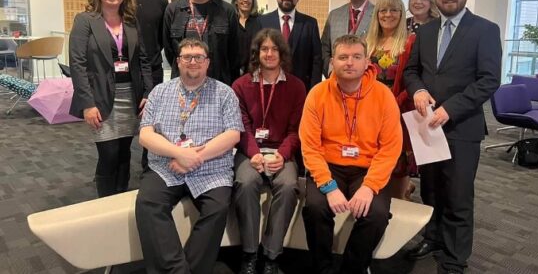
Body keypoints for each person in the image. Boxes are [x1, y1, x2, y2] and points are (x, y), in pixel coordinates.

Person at [404, 0, 502, 274]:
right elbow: (411, 71)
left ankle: (454, 258)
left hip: (462, 127)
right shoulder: (426, 31)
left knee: (458, 195)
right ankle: (432, 237)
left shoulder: (485, 30)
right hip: (427, 127)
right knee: (431, 190)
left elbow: (489, 80)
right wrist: (418, 90)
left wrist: (451, 108)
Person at [135, 39, 243, 274]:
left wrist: (196, 157)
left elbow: (233, 134)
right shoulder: (160, 92)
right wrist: (179, 153)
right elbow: (145, 135)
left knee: (218, 208)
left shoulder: (225, 93)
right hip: (165, 166)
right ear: (178, 61)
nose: (193, 62)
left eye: (198, 57)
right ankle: (177, 269)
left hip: (211, 169)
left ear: (208, 63)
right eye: (187, 57)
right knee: (148, 204)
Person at [299, 34, 402, 274]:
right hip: (328, 165)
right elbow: (310, 147)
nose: (349, 63)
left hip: (367, 168)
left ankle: (352, 268)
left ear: (367, 61)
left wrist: (369, 186)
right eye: (343, 57)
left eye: (356, 57)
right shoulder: (317, 94)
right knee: (315, 208)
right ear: (332, 61)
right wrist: (328, 187)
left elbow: (390, 148)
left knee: (376, 214)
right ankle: (322, 268)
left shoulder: (383, 96)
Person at [69, 0, 153, 197]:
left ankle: (121, 196)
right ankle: (105, 201)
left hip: (130, 95)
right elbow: (77, 64)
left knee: (125, 152)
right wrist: (87, 103)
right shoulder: (85, 20)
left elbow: (143, 60)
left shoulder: (131, 22)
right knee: (109, 154)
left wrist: (147, 93)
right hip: (100, 97)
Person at [232, 28, 306, 274]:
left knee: (287, 186)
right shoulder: (241, 85)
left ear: (282, 53)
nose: (269, 53)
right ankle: (250, 253)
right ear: (257, 53)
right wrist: (253, 153)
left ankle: (272, 255)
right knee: (244, 182)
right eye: (264, 48)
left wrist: (281, 156)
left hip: (281, 152)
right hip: (249, 150)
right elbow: (241, 127)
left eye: (275, 49)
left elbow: (296, 131)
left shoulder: (296, 86)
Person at [366, 0, 417, 200]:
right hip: (370, 111)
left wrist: (395, 102)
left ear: (401, 13)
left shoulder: (410, 42)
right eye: (383, 10)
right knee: (373, 161)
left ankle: (401, 199)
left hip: (398, 110)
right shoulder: (368, 42)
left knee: (397, 164)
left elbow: (414, 78)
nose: (388, 14)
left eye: (394, 10)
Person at [163, 0, 239, 85]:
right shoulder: (173, 10)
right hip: (183, 85)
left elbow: (233, 54)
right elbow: (170, 52)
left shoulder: (227, 11)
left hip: (217, 85)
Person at [126, 0, 169, 172]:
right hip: (123, 73)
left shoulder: (160, 0)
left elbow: (163, 38)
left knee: (151, 123)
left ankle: (148, 170)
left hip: (153, 72)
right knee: (123, 125)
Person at [259, 0, 322, 91]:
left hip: (301, 90)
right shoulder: (262, 22)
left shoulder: (310, 24)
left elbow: (316, 61)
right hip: (268, 88)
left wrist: (314, 91)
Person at [321, 0, 374, 77]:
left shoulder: (378, 15)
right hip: (336, 79)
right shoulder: (334, 15)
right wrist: (331, 71)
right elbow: (324, 48)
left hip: (367, 81)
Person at [231, 0, 262, 74]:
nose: (245, 0)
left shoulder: (260, 21)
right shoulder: (230, 21)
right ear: (236, 0)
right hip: (232, 72)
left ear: (253, 0)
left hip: (255, 72)